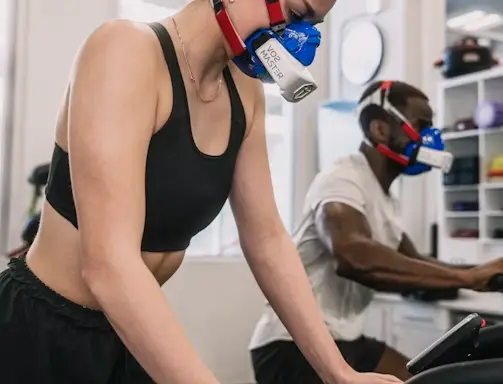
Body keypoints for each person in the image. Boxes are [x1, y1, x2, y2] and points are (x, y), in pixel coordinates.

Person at [0, 0, 403, 383]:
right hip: (41, 332)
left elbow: (267, 240)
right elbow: (108, 265)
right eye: (298, 14)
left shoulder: (245, 93)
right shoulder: (124, 52)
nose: (303, 39)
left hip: (126, 335)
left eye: (313, 24)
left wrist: (337, 371)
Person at [249, 80, 503, 383]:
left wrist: (482, 273)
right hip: (292, 345)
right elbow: (353, 255)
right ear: (379, 130)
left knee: (426, 377)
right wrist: (467, 277)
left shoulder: (385, 200)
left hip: (346, 337)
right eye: (421, 126)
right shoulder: (342, 178)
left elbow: (417, 262)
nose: (430, 137)